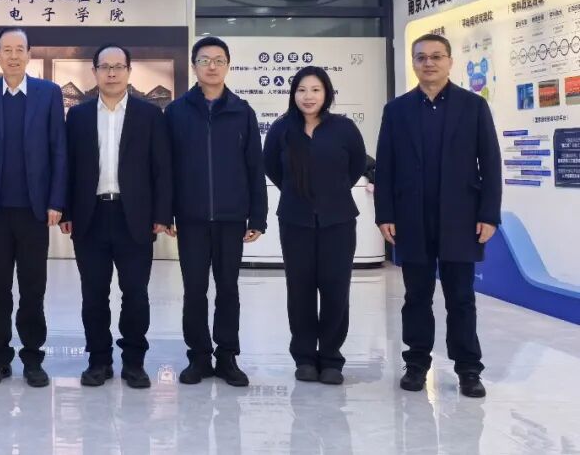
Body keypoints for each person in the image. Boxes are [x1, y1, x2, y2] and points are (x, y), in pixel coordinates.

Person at [375, 33, 502, 398]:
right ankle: (416, 364)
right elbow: (385, 166)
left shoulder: (472, 106)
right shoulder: (397, 110)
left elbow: (490, 163)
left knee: (461, 297)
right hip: (411, 219)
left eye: (436, 56)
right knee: (416, 296)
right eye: (421, 57)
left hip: (460, 219)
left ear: (449, 61)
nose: (428, 63)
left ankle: (468, 369)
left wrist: (489, 214)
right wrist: (385, 214)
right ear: (414, 63)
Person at [61, 45, 173, 389]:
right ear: (94, 71)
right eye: (105, 67)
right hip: (90, 216)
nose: (111, 73)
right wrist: (67, 211)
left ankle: (134, 362)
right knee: (93, 294)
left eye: (118, 66)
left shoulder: (149, 114)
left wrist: (162, 214)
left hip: (134, 217)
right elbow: (68, 168)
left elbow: (162, 169)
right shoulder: (78, 116)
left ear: (128, 71)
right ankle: (99, 361)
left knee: (135, 294)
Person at [0, 27, 68, 388]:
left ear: (28, 54)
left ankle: (33, 358)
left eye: (19, 49)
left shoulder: (48, 93)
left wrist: (56, 200)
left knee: (33, 288)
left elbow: (59, 151)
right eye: (6, 49)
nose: (12, 55)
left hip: (35, 211)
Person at [164, 35, 266, 387]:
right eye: (204, 60)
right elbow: (166, 167)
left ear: (228, 66)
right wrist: (166, 212)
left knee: (228, 289)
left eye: (219, 60)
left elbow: (255, 166)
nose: (212, 66)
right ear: (194, 66)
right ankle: (198, 356)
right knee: (194, 290)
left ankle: (227, 356)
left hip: (231, 217)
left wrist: (258, 216)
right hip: (190, 217)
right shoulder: (176, 112)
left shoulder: (242, 112)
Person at [262, 66, 367, 385]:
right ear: (293, 94)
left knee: (336, 289)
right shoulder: (282, 129)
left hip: (338, 220)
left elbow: (356, 166)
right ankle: (305, 357)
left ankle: (331, 358)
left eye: (315, 90)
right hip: (295, 220)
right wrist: (299, 193)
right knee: (300, 290)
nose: (308, 96)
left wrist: (331, 193)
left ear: (327, 94)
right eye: (302, 90)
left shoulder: (344, 128)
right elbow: (271, 168)